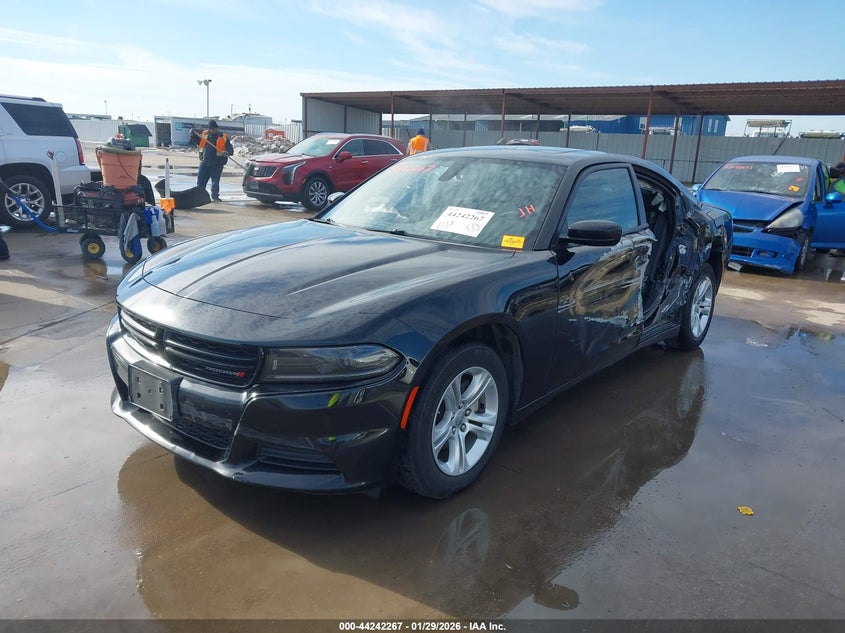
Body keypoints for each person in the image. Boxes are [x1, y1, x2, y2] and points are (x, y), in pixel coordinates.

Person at [191, 120, 234, 202]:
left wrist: (227, 152)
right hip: (204, 163)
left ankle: (215, 197)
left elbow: (230, 149)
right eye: (212, 129)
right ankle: (200, 197)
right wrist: (192, 134)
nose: (214, 130)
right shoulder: (204, 135)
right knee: (201, 182)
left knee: (215, 183)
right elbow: (197, 141)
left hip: (217, 164)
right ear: (209, 129)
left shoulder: (223, 137)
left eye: (215, 128)